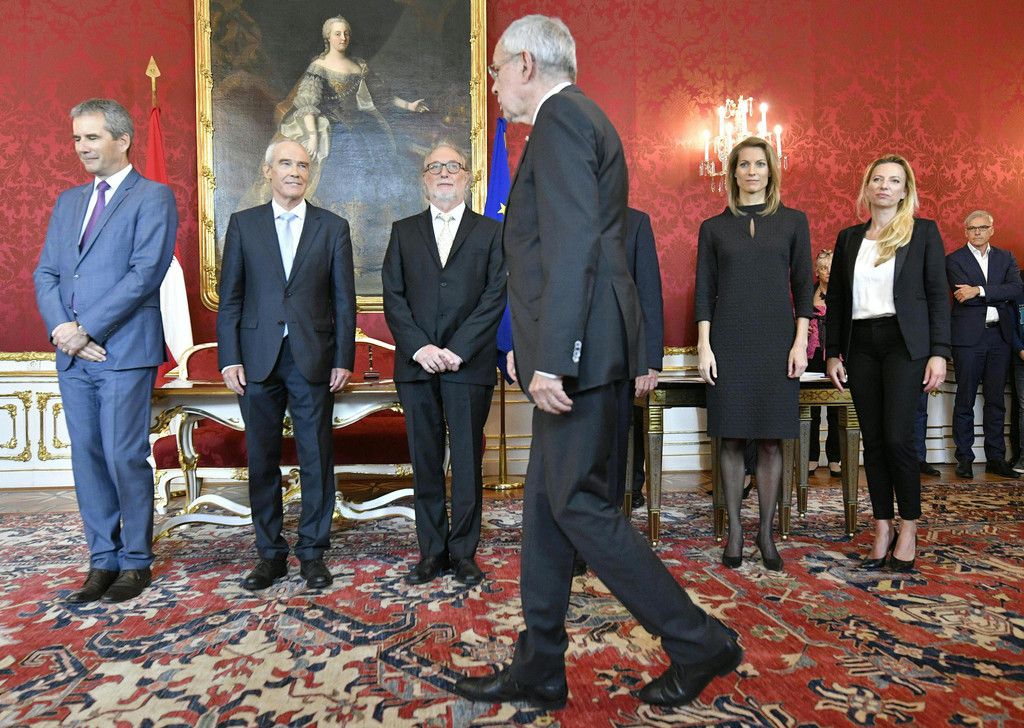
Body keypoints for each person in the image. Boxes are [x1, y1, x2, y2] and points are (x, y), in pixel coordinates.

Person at [454, 15, 741, 711]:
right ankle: (540, 666)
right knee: (546, 508)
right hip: (590, 344)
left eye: (497, 69)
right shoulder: (578, 119)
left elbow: (575, 245)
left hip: (579, 354)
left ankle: (697, 638)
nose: (494, 85)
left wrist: (554, 357)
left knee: (578, 504)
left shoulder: (561, 122)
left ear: (526, 64)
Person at [34, 98, 177, 603]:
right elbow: (46, 273)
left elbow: (144, 274)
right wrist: (63, 330)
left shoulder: (153, 197)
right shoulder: (68, 201)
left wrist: (86, 329)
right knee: (88, 457)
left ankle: (135, 561)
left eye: (92, 137)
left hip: (123, 351)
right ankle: (102, 559)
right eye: (77, 138)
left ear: (123, 140)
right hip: (73, 354)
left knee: (123, 455)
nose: (81, 147)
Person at [217, 139, 356, 591]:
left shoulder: (332, 227)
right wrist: (229, 357)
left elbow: (344, 301)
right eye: (285, 163)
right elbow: (231, 298)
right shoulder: (243, 224)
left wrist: (343, 358)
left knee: (317, 457)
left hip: (313, 358)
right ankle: (270, 554)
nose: (295, 171)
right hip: (256, 359)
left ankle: (313, 553)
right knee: (262, 460)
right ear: (268, 171)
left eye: (302, 165)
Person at [382, 142, 505, 586]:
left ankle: (464, 552)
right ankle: (432, 552)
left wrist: (458, 349)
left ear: (468, 177)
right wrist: (421, 348)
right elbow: (393, 297)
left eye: (453, 166)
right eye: (434, 167)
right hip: (416, 366)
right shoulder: (403, 231)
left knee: (468, 461)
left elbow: (495, 296)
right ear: (424, 180)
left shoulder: (492, 232)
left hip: (468, 366)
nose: (444, 173)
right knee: (426, 461)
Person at [825, 154, 950, 573]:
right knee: (874, 441)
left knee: (898, 438)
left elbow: (938, 295)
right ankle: (882, 527)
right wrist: (832, 353)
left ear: (905, 190)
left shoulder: (923, 232)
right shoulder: (848, 238)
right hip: (860, 344)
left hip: (904, 345)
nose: (884, 186)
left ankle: (908, 527)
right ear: (867, 187)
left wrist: (939, 351)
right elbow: (837, 299)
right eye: (877, 179)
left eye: (894, 181)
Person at [695, 136, 814, 572]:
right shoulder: (713, 228)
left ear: (770, 171)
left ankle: (765, 532)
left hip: (777, 342)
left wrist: (800, 342)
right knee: (729, 436)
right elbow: (704, 291)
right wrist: (704, 345)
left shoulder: (793, 222)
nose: (751, 171)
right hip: (728, 341)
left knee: (769, 439)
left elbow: (803, 287)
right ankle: (734, 532)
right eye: (743, 165)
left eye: (759, 164)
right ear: (733, 173)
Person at [279, 14, 429, 292]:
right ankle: (334, 253)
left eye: (346, 33)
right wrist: (313, 136)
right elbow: (308, 104)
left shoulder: (359, 65)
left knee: (379, 179)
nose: (343, 38)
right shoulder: (318, 67)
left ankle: (370, 254)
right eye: (337, 33)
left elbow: (381, 96)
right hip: (335, 130)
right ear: (328, 37)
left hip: (363, 128)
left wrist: (409, 106)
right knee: (341, 181)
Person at [946, 210, 1021, 479]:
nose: (977, 232)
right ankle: (965, 458)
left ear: (992, 229)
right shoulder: (954, 259)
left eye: (982, 227)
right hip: (967, 339)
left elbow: (1016, 289)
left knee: (996, 400)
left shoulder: (1005, 257)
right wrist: (997, 293)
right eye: (972, 228)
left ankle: (996, 458)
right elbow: (961, 296)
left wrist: (978, 290)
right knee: (965, 399)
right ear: (965, 231)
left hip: (999, 337)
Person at [615, 208, 664, 509]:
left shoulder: (636, 223)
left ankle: (629, 490)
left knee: (624, 429)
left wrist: (649, 361)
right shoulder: (564, 217)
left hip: (623, 355)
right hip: (574, 359)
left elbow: (649, 294)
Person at [806, 248, 841, 478]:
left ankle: (834, 458)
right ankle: (811, 456)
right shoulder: (808, 293)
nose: (828, 272)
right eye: (823, 268)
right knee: (812, 410)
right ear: (817, 272)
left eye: (831, 267)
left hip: (837, 356)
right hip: (813, 355)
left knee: (836, 410)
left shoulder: (843, 293)